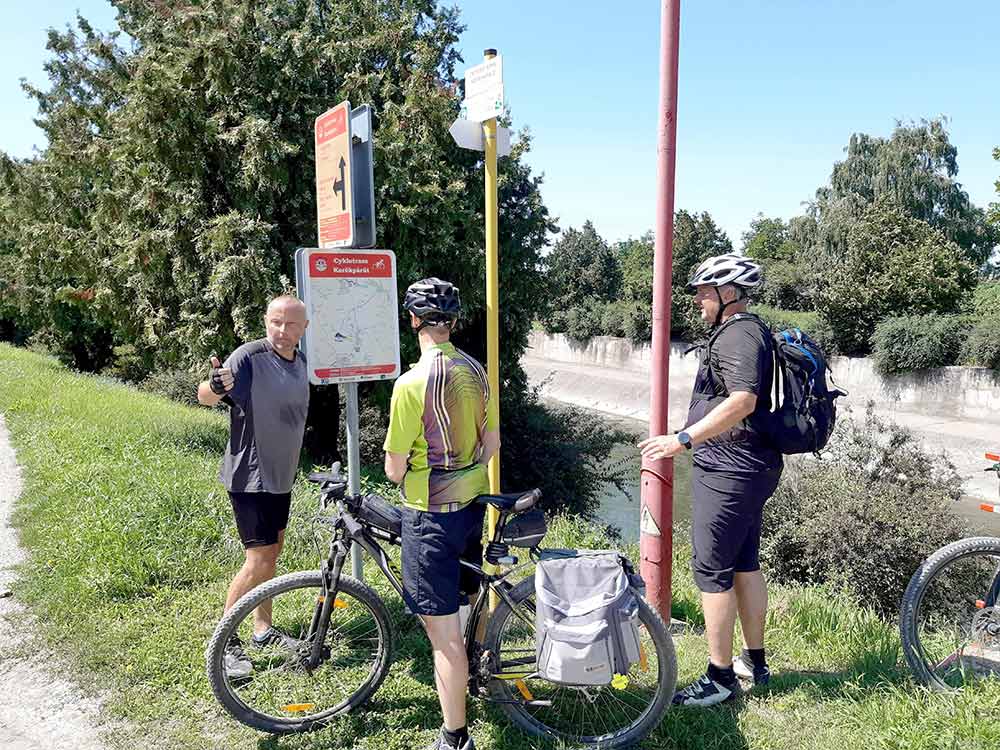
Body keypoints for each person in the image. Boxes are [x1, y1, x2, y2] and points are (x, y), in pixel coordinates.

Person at [638, 253, 781, 707]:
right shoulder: (748, 331)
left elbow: (743, 399)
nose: (698, 300)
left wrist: (682, 438)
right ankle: (753, 662)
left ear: (729, 294)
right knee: (743, 563)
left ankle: (719, 679)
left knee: (711, 569)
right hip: (748, 464)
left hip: (730, 468)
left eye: (704, 292)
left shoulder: (738, 335)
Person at [382, 278, 500, 750]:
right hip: (473, 506)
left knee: (443, 637)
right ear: (452, 322)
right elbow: (491, 442)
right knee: (467, 603)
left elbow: (393, 469)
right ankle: (478, 679)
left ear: (413, 320)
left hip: (428, 516)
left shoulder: (410, 384)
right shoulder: (476, 369)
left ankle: (455, 737)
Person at [197, 294, 310, 679]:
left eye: (290, 323)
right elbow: (207, 395)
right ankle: (226, 644)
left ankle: (262, 629)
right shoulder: (249, 357)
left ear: (303, 328)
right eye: (276, 322)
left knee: (272, 555)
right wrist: (214, 385)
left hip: (281, 477)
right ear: (265, 321)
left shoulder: (301, 361)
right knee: (258, 560)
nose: (282, 330)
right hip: (251, 477)